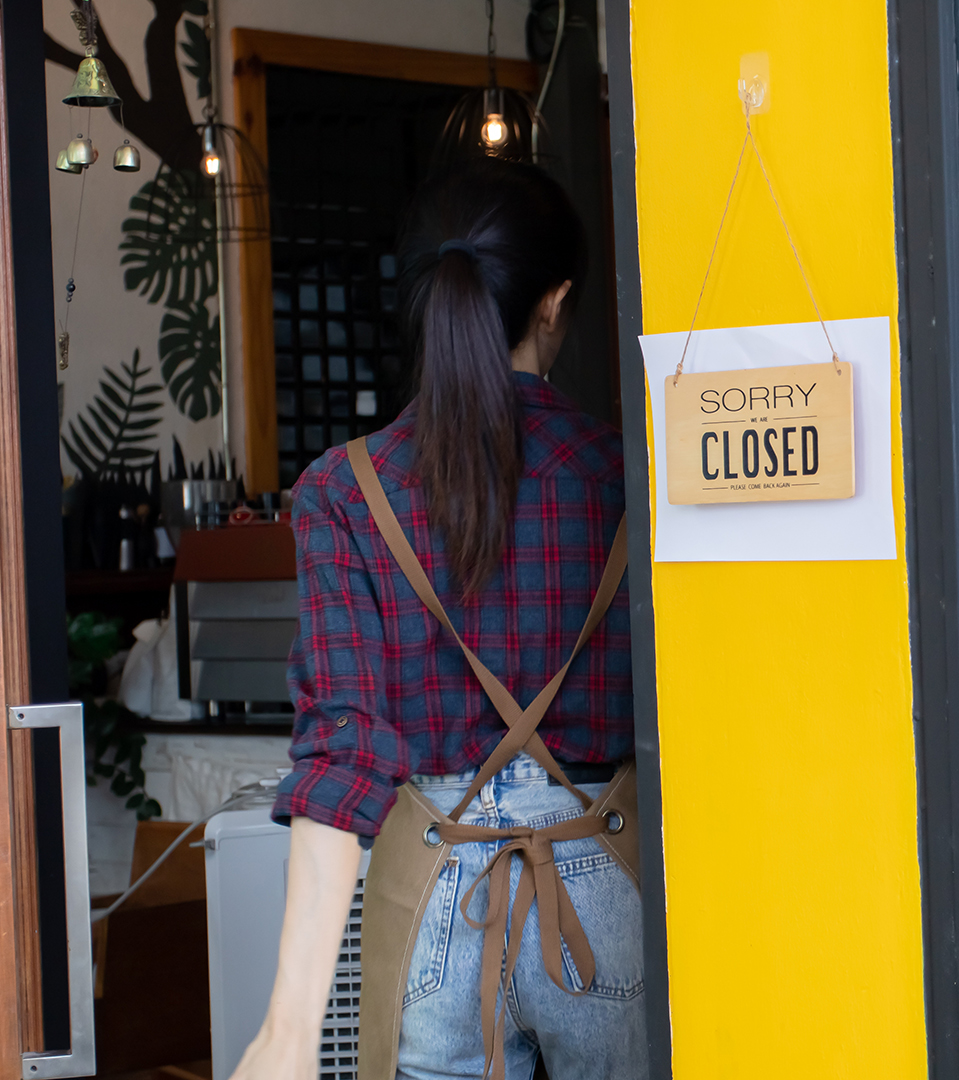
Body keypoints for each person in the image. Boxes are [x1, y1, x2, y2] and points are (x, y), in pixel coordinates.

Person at [231, 158, 643, 1080]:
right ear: (554, 302)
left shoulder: (346, 491)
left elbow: (344, 755)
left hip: (434, 890)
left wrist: (288, 1031)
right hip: (606, 882)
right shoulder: (632, 477)